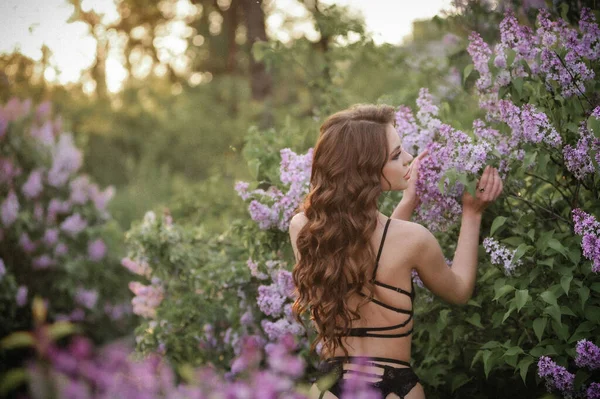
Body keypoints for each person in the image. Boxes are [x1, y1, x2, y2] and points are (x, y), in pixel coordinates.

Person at [288, 104, 503, 399]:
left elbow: (367, 256)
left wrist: (408, 202)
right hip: (395, 388)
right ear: (366, 169)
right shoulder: (413, 240)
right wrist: (472, 213)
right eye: (396, 155)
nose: (409, 159)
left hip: (329, 387)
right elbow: (460, 290)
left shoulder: (304, 230)